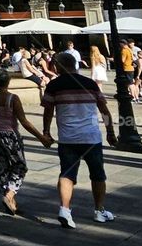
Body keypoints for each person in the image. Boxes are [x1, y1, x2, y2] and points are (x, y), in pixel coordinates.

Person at [42, 51, 118, 228]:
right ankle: (99, 211)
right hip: (91, 138)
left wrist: (46, 131)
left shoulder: (54, 86)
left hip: (67, 138)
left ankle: (65, 210)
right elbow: (104, 111)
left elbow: (48, 111)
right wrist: (110, 132)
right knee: (98, 174)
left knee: (67, 174)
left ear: (59, 66)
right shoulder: (90, 84)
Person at [0, 69, 51, 214]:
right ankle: (10, 194)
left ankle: (9, 199)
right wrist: (41, 138)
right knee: (20, 166)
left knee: (2, 165)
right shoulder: (13, 98)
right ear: (8, 82)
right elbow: (24, 121)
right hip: (10, 134)